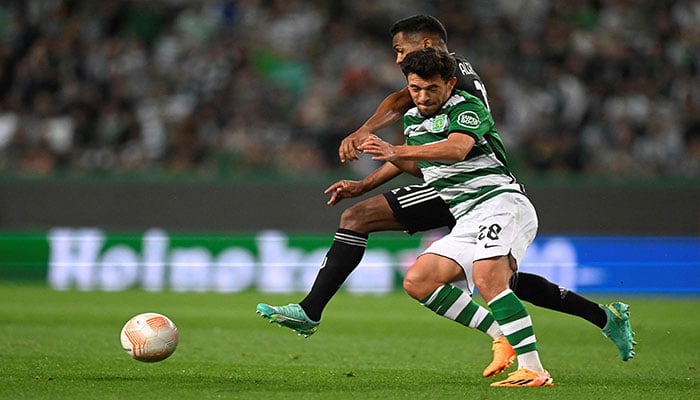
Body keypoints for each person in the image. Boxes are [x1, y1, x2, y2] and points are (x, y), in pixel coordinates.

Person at [257, 15, 635, 369]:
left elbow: (430, 139)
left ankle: (311, 310)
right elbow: (413, 144)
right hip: (454, 181)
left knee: (360, 220)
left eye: (401, 51)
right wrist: (363, 182)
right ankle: (602, 315)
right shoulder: (440, 78)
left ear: (425, 46)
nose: (398, 60)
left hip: (472, 187)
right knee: (499, 279)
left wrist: (364, 133)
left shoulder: (449, 80)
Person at [363, 47, 553, 386]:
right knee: (419, 280)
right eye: (415, 89)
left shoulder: (467, 108)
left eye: (431, 89)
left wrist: (397, 149)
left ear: (450, 84)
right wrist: (362, 183)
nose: (422, 96)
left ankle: (534, 370)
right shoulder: (411, 121)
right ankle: (501, 334)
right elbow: (422, 166)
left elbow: (456, 149)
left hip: (501, 202)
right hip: (466, 216)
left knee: (487, 276)